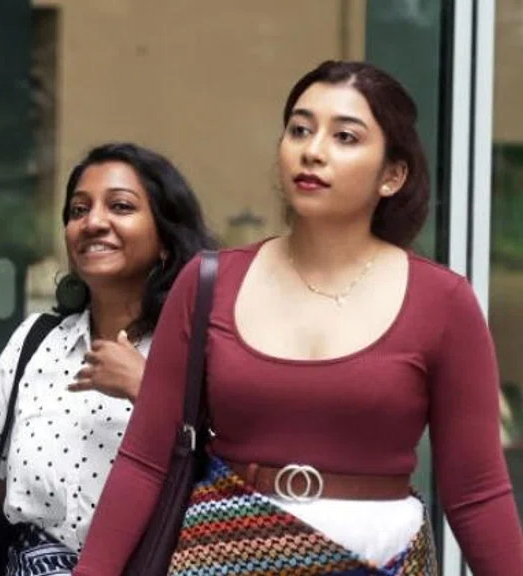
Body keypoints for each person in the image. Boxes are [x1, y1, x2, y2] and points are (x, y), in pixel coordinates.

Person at [74, 61, 523, 575]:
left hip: (383, 560)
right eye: (300, 129)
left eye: (345, 137)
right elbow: (144, 462)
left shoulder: (444, 302)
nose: (313, 150)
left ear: (392, 175)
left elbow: (476, 493)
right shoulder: (209, 283)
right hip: (223, 556)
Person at [0, 143, 215, 576]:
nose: (93, 222)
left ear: (164, 239)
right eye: (78, 210)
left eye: (120, 206)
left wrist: (148, 389)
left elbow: (230, 474)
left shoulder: (202, 351)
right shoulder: (36, 341)